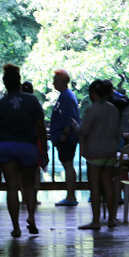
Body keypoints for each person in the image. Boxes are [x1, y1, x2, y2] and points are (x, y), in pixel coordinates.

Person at [0, 64, 49, 238]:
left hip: (5, 146)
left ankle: (16, 227)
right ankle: (31, 218)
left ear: (5, 84)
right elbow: (40, 127)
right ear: (20, 82)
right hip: (28, 146)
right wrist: (43, 150)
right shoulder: (32, 101)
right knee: (29, 186)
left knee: (12, 187)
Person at [74, 80, 121, 229]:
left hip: (95, 153)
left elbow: (84, 131)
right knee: (108, 185)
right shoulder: (113, 109)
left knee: (95, 187)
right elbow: (118, 132)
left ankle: (96, 221)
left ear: (93, 93)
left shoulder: (92, 110)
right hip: (110, 152)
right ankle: (112, 219)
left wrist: (75, 125)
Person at [51, 69, 80, 206]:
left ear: (62, 82)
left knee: (68, 165)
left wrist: (64, 134)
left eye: (55, 80)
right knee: (67, 165)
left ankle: (71, 196)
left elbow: (70, 118)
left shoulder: (66, 97)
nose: (53, 83)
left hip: (66, 138)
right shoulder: (66, 95)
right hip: (64, 137)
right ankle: (70, 195)